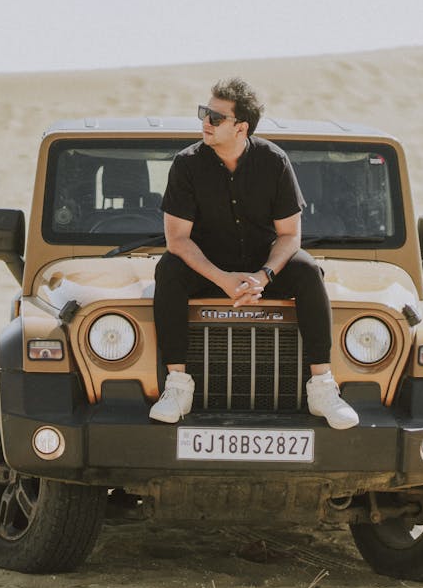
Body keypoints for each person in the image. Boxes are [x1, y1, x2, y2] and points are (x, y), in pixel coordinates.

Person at [149, 78, 359, 429]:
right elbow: (178, 240)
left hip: (262, 269)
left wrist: (264, 276)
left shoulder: (273, 161)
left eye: (215, 118)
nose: (205, 122)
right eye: (204, 113)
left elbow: (290, 235)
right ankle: (177, 386)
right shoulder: (187, 164)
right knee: (168, 269)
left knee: (308, 271)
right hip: (208, 270)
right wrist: (223, 279)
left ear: (241, 127)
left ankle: (323, 388)